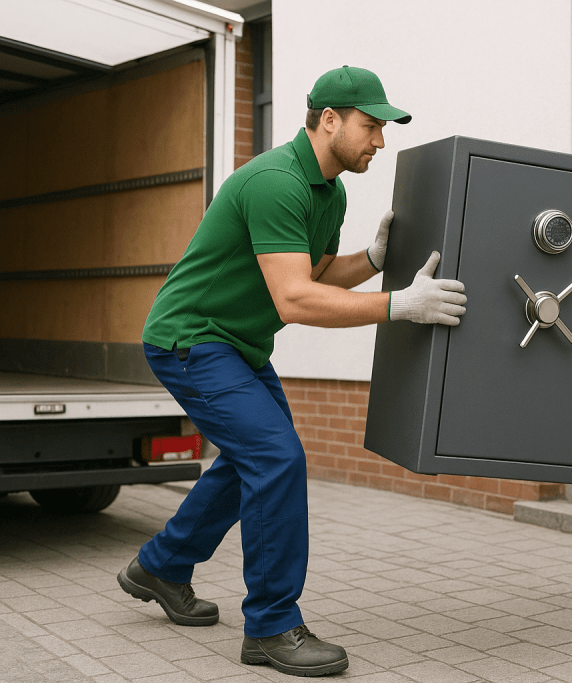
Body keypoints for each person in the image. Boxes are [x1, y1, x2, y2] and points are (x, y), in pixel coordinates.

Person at [117, 66, 467, 677]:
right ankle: (272, 627)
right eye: (370, 126)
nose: (379, 142)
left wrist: (374, 260)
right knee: (276, 458)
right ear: (328, 120)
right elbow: (296, 301)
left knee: (251, 457)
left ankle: (162, 566)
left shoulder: (329, 191)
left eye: (382, 129)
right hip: (191, 339)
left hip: (240, 344)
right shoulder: (277, 182)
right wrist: (397, 306)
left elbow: (319, 275)